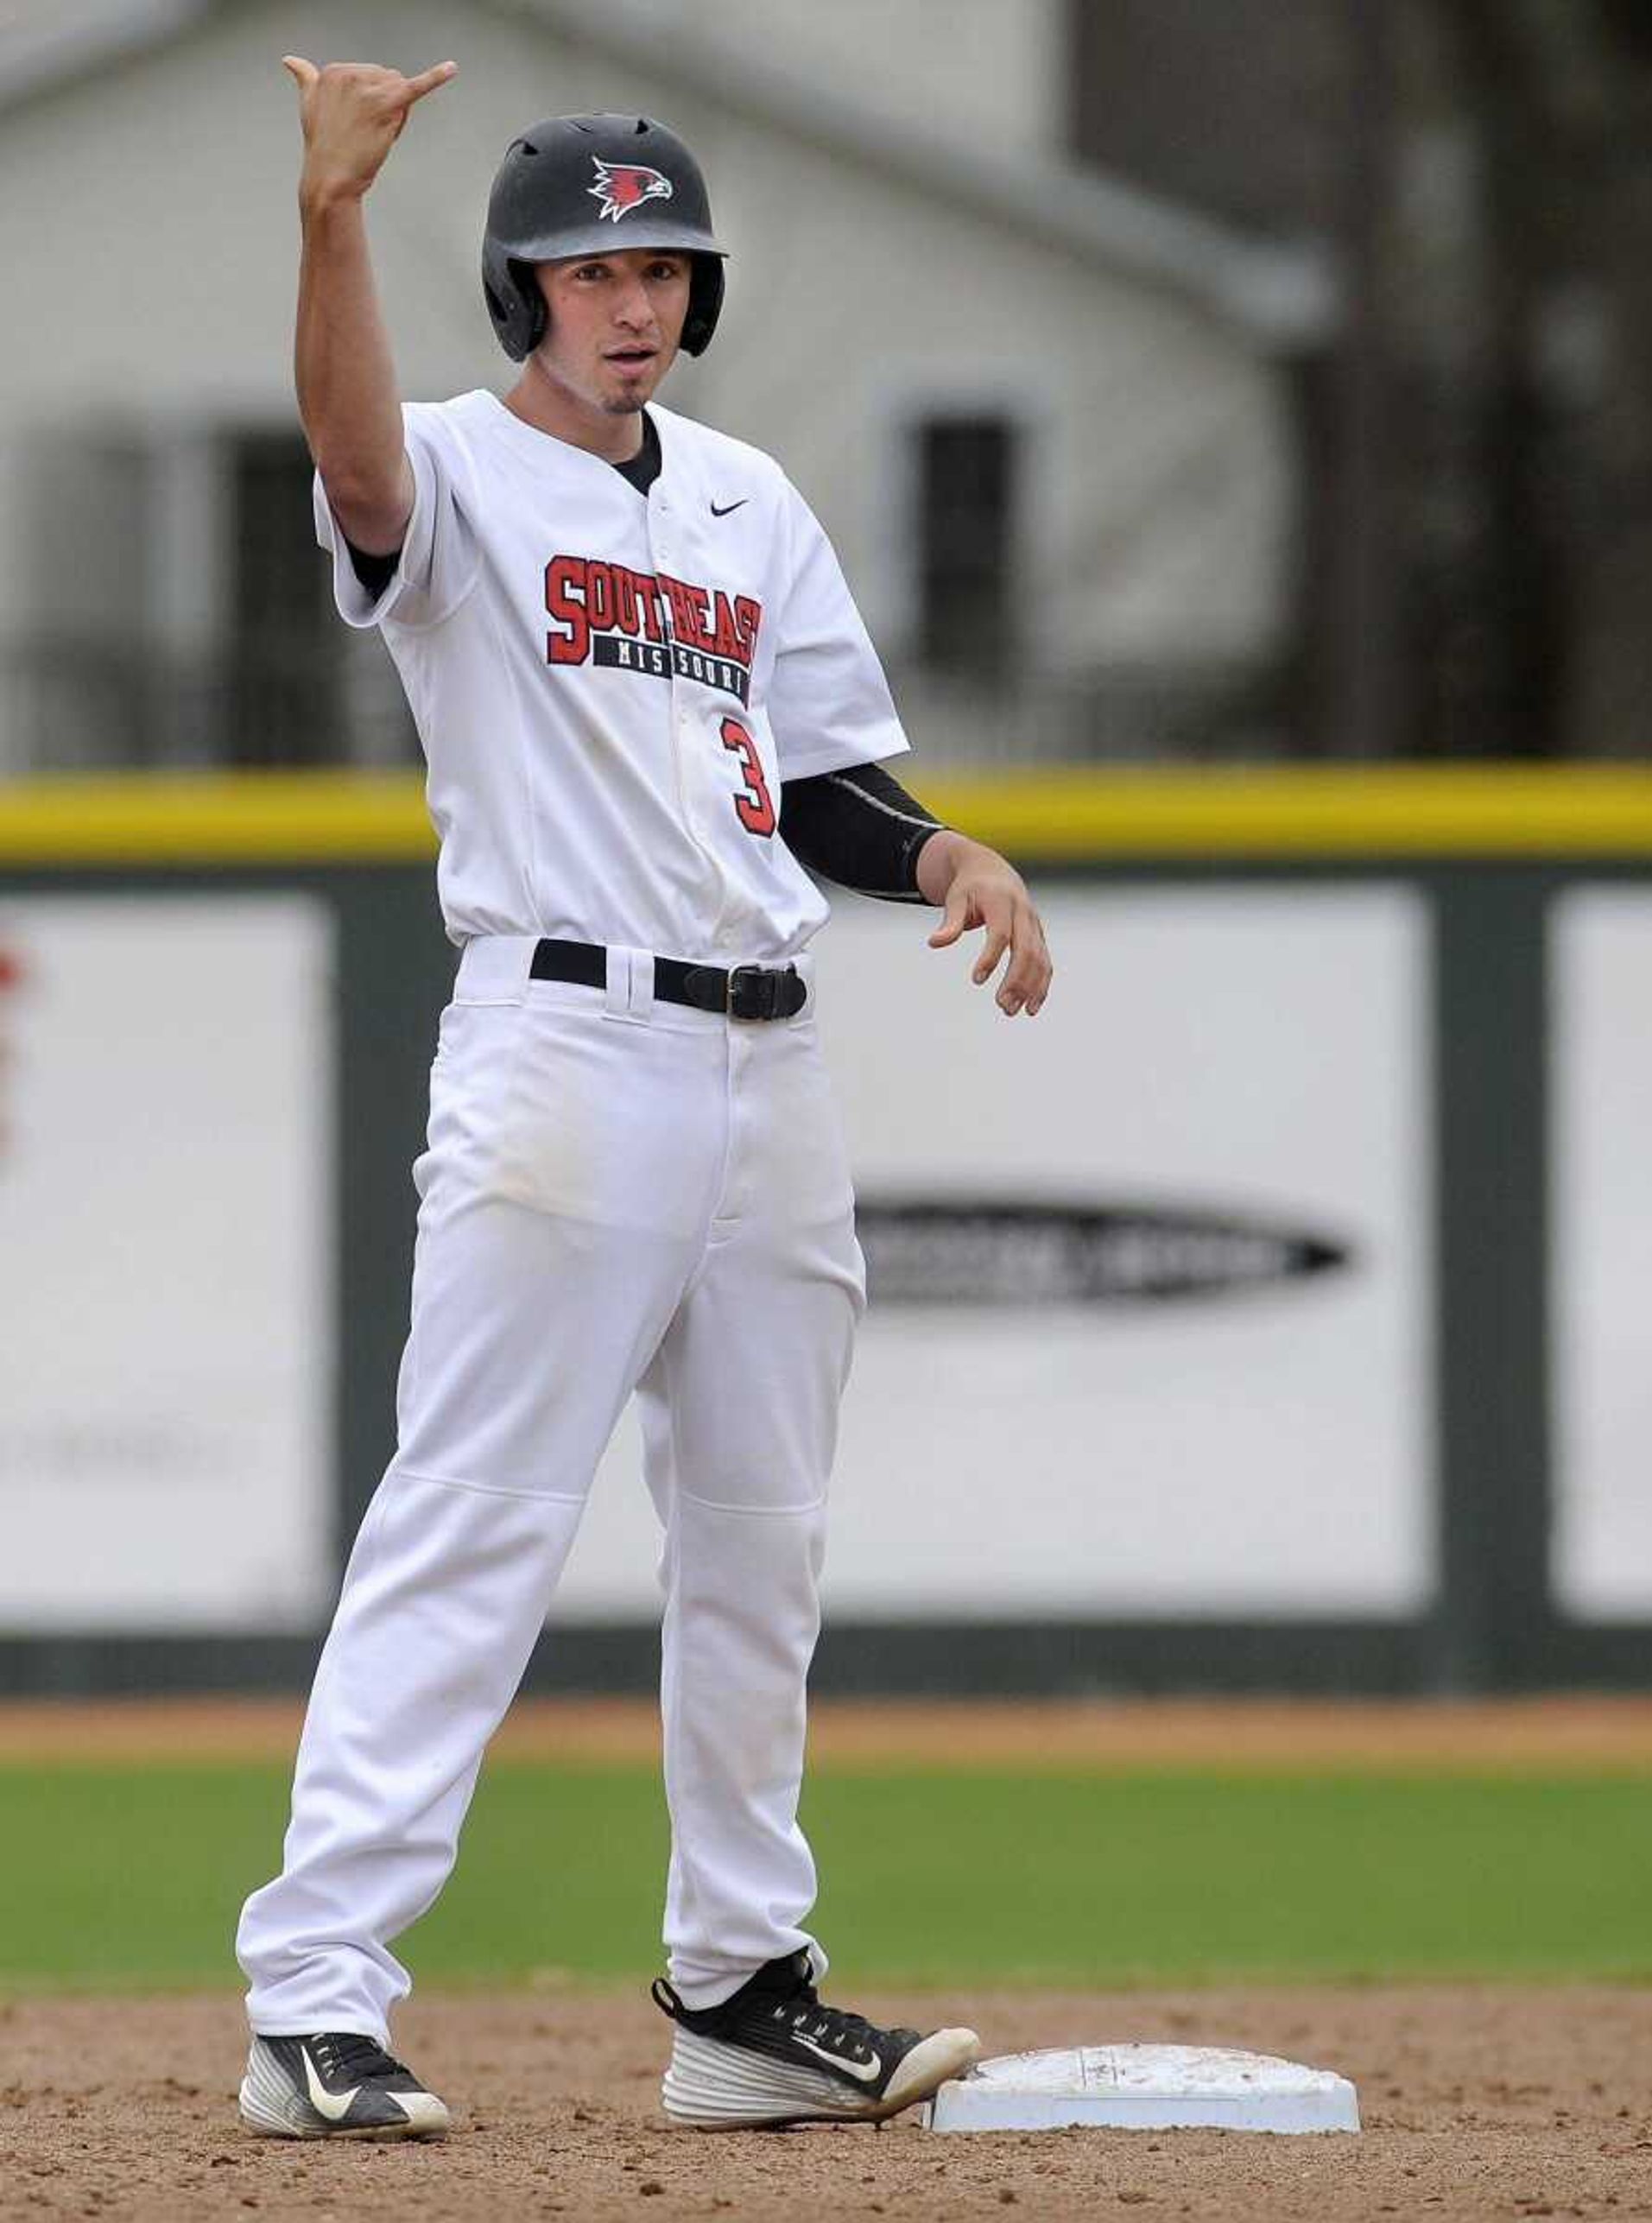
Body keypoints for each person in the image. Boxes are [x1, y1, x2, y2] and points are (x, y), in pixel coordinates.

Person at [236, 56, 1053, 2142]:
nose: (635, 301)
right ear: (522, 293)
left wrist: (945, 851)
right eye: (593, 268)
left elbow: (833, 781)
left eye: (664, 265)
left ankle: (741, 1994)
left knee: (760, 1540)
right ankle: (313, 1994)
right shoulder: (449, 475)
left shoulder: (745, 500)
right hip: (564, 1043)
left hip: (767, 1059)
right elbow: (343, 450)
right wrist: (333, 221)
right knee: (475, 1521)